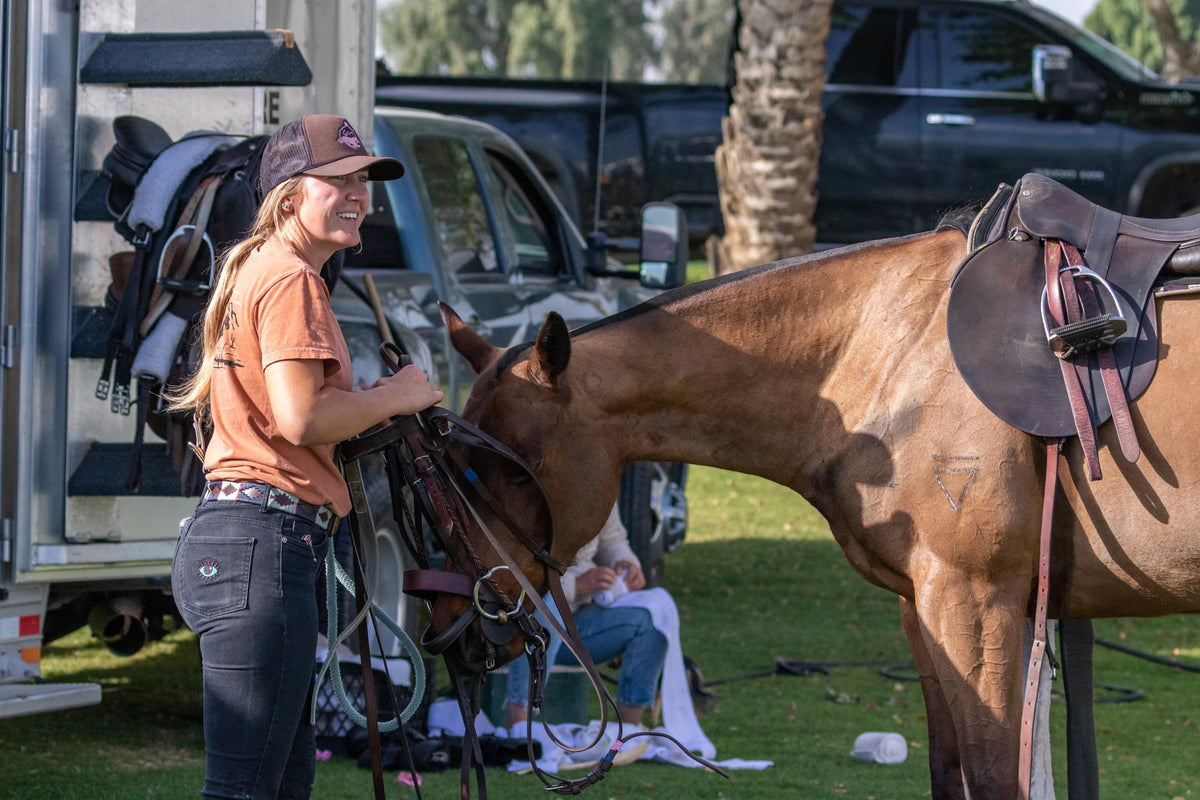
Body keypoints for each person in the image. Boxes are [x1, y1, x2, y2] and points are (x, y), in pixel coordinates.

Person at [168, 114, 443, 800]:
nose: (359, 196)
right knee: (246, 792)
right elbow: (301, 419)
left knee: (278, 787)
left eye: (365, 183)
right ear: (289, 196)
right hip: (263, 549)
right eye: (340, 182)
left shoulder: (262, 268)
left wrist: (375, 401)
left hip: (246, 543)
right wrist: (398, 397)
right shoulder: (292, 278)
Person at [505, 504, 668, 729]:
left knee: (653, 619)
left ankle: (629, 730)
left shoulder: (599, 476)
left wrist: (625, 563)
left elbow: (613, 540)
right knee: (547, 606)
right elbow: (514, 561)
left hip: (580, 621)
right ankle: (519, 726)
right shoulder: (533, 482)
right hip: (521, 620)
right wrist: (575, 585)